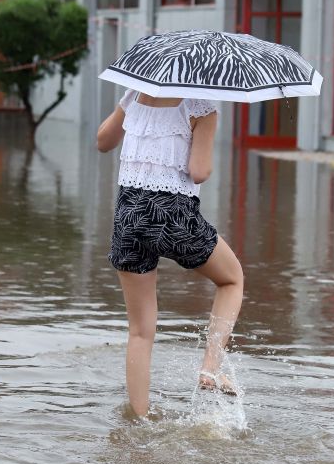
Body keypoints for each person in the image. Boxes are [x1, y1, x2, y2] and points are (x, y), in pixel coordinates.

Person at [96, 89, 244, 418]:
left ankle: (139, 418)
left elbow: (103, 141)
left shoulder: (133, 96)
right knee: (232, 279)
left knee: (140, 330)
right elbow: (199, 171)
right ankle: (210, 367)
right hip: (171, 214)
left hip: (128, 216)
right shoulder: (201, 108)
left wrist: (126, 108)